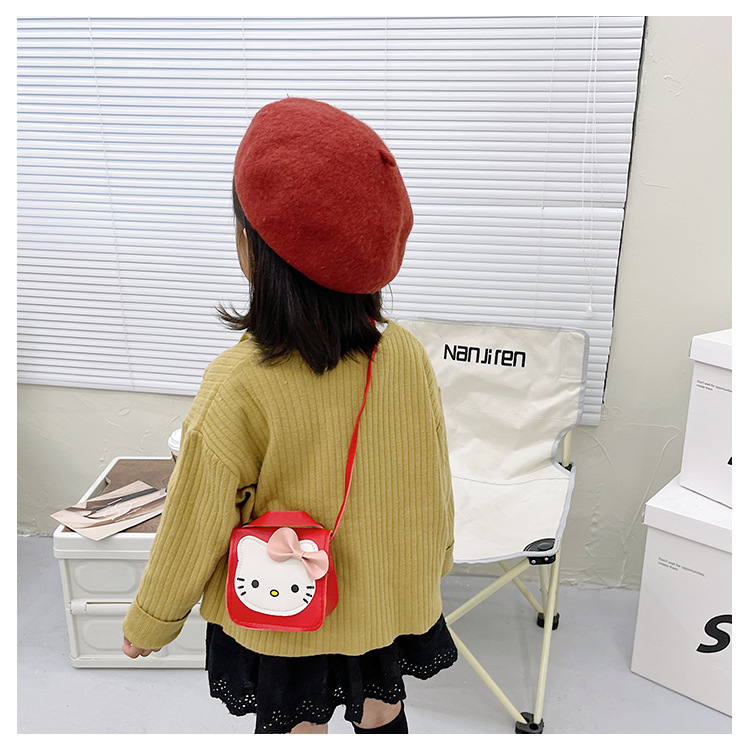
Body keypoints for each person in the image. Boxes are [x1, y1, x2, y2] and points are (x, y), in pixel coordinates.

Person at [121, 97, 456, 734]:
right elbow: (430, 479)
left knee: (298, 724)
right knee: (382, 706)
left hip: (286, 608)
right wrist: (432, 564)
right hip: (385, 598)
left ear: (255, 247)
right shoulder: (404, 352)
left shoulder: (240, 380)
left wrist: (153, 618)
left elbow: (196, 514)